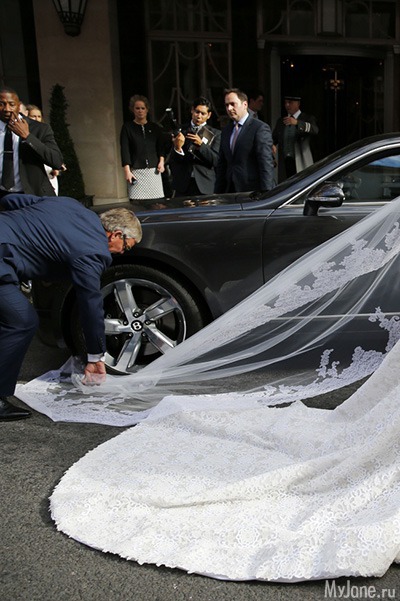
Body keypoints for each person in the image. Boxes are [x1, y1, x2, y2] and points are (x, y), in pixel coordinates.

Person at [46, 193, 400, 582]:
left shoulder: (70, 214)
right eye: (127, 247)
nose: (124, 253)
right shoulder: (83, 237)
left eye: (127, 248)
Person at [0, 193, 142, 421]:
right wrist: (95, 357)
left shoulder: (68, 203)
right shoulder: (93, 251)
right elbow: (90, 304)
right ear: (116, 234)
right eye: (125, 246)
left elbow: (10, 201)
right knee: (22, 321)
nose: (122, 253)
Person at [0, 87, 64, 198]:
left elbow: (56, 161)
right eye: (1, 104)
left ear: (19, 106)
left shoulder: (39, 129)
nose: (7, 109)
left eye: (11, 104)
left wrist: (27, 136)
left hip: (32, 196)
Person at [214, 88, 275, 193]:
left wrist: (266, 193)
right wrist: (217, 193)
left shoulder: (259, 128)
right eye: (227, 105)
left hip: (252, 191)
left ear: (245, 104)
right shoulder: (226, 130)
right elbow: (222, 164)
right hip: (229, 191)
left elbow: (265, 163)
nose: (229, 108)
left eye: (233, 104)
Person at [169, 97, 221, 196]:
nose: (199, 116)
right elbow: (173, 160)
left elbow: (216, 160)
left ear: (209, 115)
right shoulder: (181, 130)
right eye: (197, 112)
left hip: (205, 185)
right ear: (192, 110)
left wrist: (201, 145)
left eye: (203, 113)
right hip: (183, 185)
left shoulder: (216, 134)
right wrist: (177, 148)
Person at [120, 94, 168, 201]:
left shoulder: (155, 128)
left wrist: (161, 162)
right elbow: (125, 150)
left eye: (143, 108)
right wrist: (127, 171)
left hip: (154, 171)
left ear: (147, 110)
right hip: (136, 171)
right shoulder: (127, 127)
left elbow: (160, 147)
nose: (140, 111)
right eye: (137, 108)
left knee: (156, 202)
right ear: (132, 110)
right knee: (138, 203)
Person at [272, 93, 319, 182]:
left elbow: (315, 130)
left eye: (290, 102)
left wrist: (297, 123)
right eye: (285, 102)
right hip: (285, 163)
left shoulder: (307, 118)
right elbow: (274, 138)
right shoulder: (281, 121)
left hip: (301, 160)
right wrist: (272, 144)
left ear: (298, 103)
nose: (287, 105)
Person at [26, 104, 66, 195]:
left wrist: (56, 167)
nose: (36, 119)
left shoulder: (45, 131)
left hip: (49, 174)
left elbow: (52, 154)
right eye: (33, 116)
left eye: (39, 116)